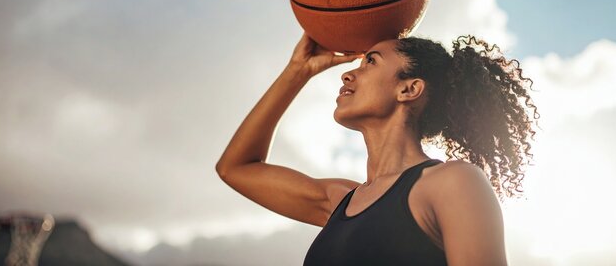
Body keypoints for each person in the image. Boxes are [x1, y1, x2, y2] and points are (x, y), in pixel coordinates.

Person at [216, 32, 538, 266]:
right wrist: (298, 71)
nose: (348, 72)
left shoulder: (452, 182)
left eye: (371, 61)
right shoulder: (340, 201)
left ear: (409, 89)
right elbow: (236, 168)